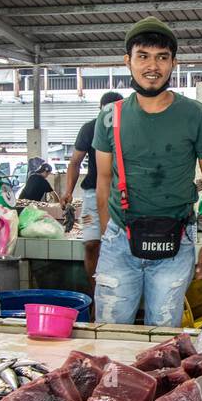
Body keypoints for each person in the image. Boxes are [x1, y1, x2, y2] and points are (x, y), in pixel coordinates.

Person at [91, 16, 202, 326]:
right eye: (143, 56)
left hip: (176, 241)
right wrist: (109, 234)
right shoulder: (110, 117)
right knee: (110, 332)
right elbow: (104, 180)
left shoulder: (196, 114)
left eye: (162, 57)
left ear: (173, 63)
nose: (153, 66)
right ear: (128, 61)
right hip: (119, 240)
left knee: (163, 335)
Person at [62, 90, 124, 292]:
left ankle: (117, 290)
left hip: (121, 195)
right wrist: (68, 192)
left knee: (120, 244)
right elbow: (74, 162)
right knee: (91, 244)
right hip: (91, 195)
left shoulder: (129, 128)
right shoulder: (89, 128)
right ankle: (95, 291)